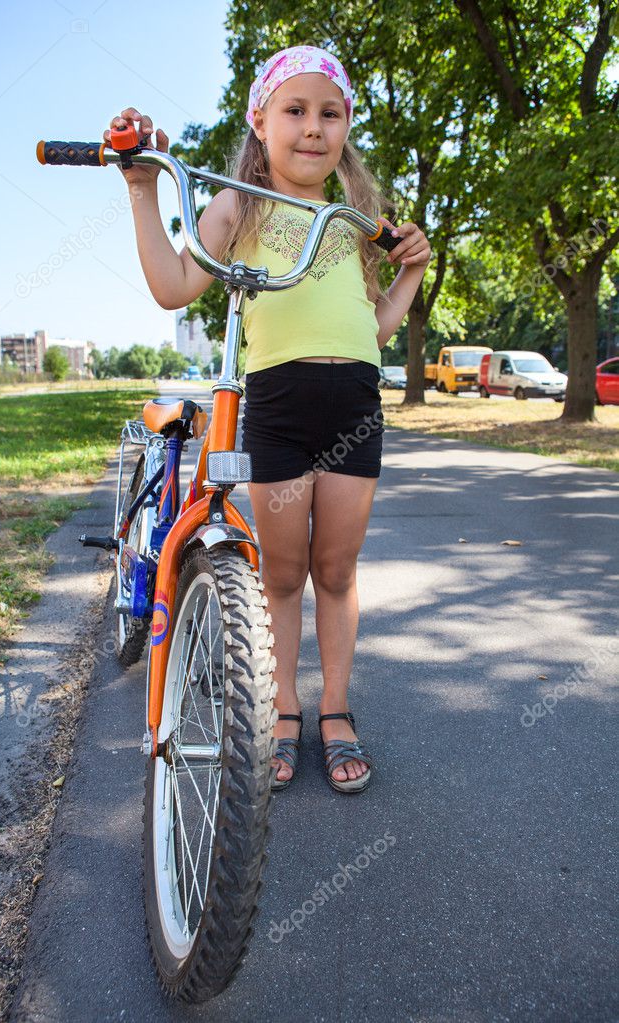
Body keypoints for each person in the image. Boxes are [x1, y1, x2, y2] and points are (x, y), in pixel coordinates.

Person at [105, 44, 431, 795]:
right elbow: (172, 285)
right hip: (278, 408)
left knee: (337, 571)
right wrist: (139, 188)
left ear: (346, 126)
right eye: (295, 110)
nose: (313, 128)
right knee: (282, 574)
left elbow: (369, 330)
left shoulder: (353, 220)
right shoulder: (237, 204)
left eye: (330, 113)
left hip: (353, 402)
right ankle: (283, 711)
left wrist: (411, 268)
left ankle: (336, 710)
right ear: (260, 120)